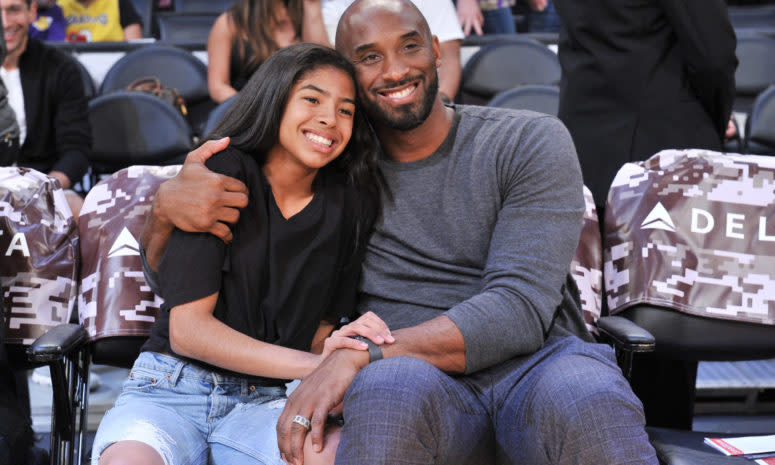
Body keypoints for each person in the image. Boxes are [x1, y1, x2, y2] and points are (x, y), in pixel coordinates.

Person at [143, 1, 659, 464]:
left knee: (589, 390)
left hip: (537, 366)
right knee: (389, 391)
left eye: (410, 46)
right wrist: (164, 210)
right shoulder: (331, 166)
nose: (394, 70)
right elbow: (202, 269)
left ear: (436, 51)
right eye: (368, 57)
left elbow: (518, 309)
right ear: (347, 76)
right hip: (409, 379)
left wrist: (358, 357)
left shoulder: (527, 140)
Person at [92, 42, 392, 465]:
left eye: (346, 109)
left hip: (266, 399)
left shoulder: (351, 203)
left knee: (335, 455)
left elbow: (315, 334)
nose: (330, 118)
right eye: (312, 99)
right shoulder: (224, 171)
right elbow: (189, 332)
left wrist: (335, 348)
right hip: (171, 387)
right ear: (275, 99)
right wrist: (318, 365)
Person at [553, 0, 737, 429]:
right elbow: (714, 54)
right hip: (662, 162)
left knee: (594, 329)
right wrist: (711, 119)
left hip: (586, 149)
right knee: (665, 336)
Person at [0, 0, 90, 217]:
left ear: (32, 12)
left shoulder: (61, 68)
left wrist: (44, 190)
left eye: (13, 10)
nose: (4, 23)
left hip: (45, 186)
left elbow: (76, 149)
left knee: (79, 211)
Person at [321, 0, 463, 103]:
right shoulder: (330, 7)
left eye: (409, 47)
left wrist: (443, 100)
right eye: (371, 57)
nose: (396, 74)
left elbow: (449, 57)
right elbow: (322, 66)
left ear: (435, 51)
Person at [207, 0, 331, 103]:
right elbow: (218, 87)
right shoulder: (230, 22)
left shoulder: (306, 17)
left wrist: (312, 5)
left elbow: (323, 62)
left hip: (295, 110)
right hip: (246, 112)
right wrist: (252, 111)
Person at [58, 0, 142, 41]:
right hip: (71, 63)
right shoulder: (57, 5)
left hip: (112, 61)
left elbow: (133, 46)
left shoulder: (119, 2)